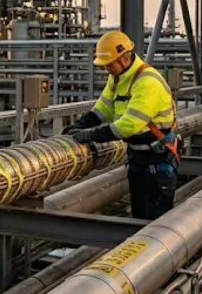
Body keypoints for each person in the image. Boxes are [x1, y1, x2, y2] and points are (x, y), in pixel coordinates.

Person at [64, 31, 180, 220]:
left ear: (124, 57)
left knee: (155, 223)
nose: (107, 69)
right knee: (138, 216)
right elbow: (104, 108)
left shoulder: (147, 82)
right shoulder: (118, 77)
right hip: (137, 158)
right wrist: (80, 124)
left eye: (109, 64)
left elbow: (128, 126)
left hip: (158, 160)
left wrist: (89, 135)